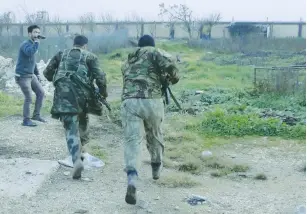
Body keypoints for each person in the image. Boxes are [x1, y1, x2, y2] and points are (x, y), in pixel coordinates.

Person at [121, 35, 180, 205]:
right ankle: (156, 166)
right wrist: (172, 79)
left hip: (130, 101)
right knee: (154, 134)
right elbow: (171, 64)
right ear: (152, 45)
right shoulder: (155, 52)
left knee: (132, 141)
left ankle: (132, 180)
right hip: (152, 100)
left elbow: (125, 74)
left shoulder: (130, 58)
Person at [43, 35, 108, 179]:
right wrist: (103, 94)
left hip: (63, 96)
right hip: (82, 98)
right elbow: (101, 77)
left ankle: (76, 159)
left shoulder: (61, 54)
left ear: (74, 44)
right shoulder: (90, 56)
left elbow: (47, 73)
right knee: (83, 120)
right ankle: (82, 151)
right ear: (85, 45)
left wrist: (57, 79)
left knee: (70, 128)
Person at [15, 24, 46, 127]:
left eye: (38, 32)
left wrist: (37, 74)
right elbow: (29, 53)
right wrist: (37, 42)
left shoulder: (33, 44)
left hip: (31, 75)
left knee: (41, 93)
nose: (37, 34)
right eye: (35, 32)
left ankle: (36, 115)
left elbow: (33, 61)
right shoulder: (25, 44)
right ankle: (26, 120)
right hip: (22, 76)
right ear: (29, 34)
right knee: (29, 97)